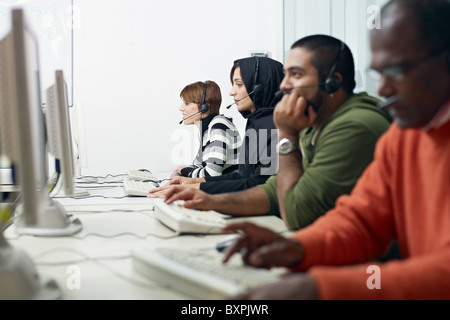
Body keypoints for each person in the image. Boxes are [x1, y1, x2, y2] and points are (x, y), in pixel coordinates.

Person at [218, 0, 450, 300]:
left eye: (397, 69)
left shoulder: (360, 125)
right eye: (380, 73)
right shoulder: (404, 136)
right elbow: (361, 221)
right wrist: (300, 248)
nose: (383, 90)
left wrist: (321, 287)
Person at [161, 35, 392, 231]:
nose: (283, 85)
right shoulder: (314, 124)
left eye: (297, 75)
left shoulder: (353, 127)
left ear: (332, 82)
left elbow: (295, 213)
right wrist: (205, 197)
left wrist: (287, 134)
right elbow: (272, 188)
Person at [151, 56, 284, 195]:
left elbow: (258, 185)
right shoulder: (256, 123)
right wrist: (191, 183)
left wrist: (195, 187)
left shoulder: (273, 125)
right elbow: (244, 177)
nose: (232, 92)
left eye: (239, 84)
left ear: (259, 87)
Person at [172, 80, 241, 179]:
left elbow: (211, 174)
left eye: (187, 103)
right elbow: (198, 164)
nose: (181, 108)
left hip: (229, 191)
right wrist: (182, 172)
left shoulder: (218, 126)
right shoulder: (207, 130)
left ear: (204, 107)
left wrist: (183, 171)